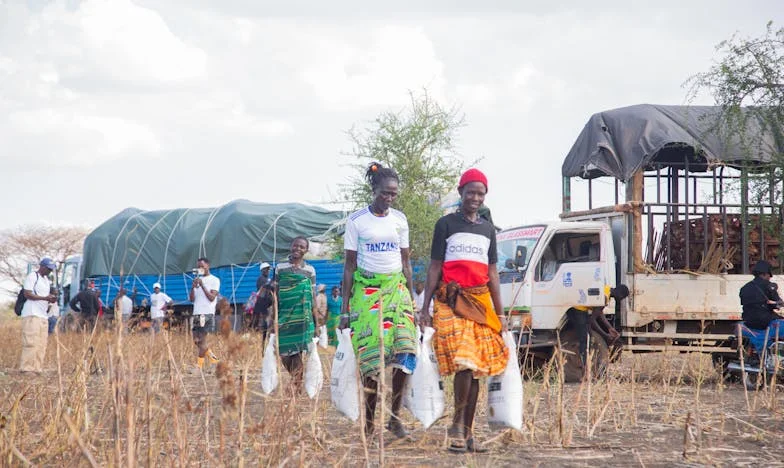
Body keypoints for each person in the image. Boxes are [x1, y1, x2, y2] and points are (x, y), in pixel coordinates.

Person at [419, 168, 508, 453]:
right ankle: (457, 425)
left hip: (481, 303)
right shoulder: (445, 224)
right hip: (451, 301)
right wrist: (425, 306)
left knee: (476, 369)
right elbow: (435, 267)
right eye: (470, 192)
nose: (475, 198)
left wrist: (501, 313)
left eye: (480, 193)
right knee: (465, 361)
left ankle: (467, 435)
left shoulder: (487, 229)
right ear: (460, 192)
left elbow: (492, 273)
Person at [341, 161, 418, 439]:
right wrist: (344, 309)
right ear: (374, 189)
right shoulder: (357, 220)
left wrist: (413, 301)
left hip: (397, 292)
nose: (389, 198)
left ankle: (395, 418)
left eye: (393, 194)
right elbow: (349, 266)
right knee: (371, 362)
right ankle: (370, 424)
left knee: (406, 353)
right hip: (367, 293)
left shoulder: (400, 220)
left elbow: (406, 263)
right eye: (385, 193)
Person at [275, 236, 317, 392]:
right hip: (284, 315)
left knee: (297, 352)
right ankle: (296, 379)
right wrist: (274, 316)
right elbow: (276, 293)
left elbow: (312, 295)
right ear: (291, 247)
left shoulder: (310, 270)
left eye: (301, 247)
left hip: (302, 317)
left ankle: (296, 384)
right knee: (284, 353)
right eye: (295, 246)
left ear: (306, 250)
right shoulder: (280, 268)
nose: (298, 249)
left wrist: (317, 323)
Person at [19, 258, 57, 373]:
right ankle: (26, 369)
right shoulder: (32, 276)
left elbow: (45, 296)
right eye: (48, 269)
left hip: (43, 315)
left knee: (41, 343)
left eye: (51, 270)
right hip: (32, 313)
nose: (49, 271)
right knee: (31, 342)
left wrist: (51, 299)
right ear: (42, 267)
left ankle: (37, 368)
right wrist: (45, 298)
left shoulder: (46, 280)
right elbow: (27, 294)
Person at [189, 257, 221, 370]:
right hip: (196, 313)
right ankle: (214, 360)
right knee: (196, 341)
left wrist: (202, 286)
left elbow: (212, 298)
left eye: (202, 266)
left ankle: (199, 366)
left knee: (202, 340)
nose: (200, 268)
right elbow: (191, 299)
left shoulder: (214, 280)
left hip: (206, 314)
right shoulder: (197, 280)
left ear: (208, 266)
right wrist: (193, 288)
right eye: (198, 267)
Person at [740, 260, 784, 332]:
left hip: (748, 320)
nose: (770, 277)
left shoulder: (745, 287)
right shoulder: (769, 286)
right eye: (769, 275)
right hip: (764, 320)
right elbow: (777, 302)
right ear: (764, 274)